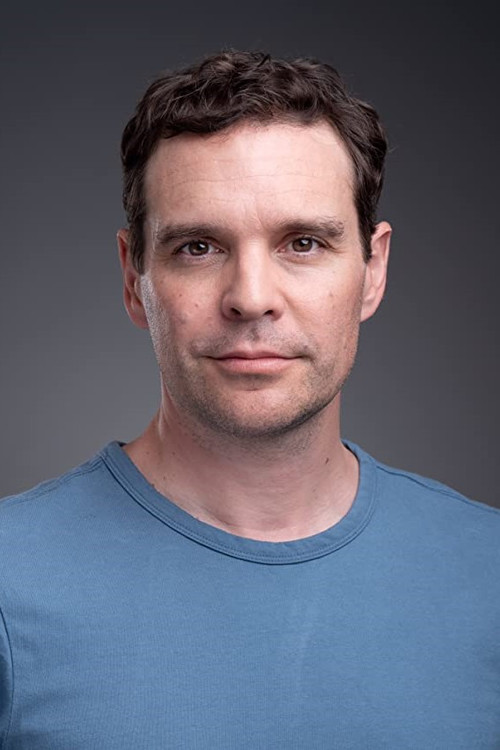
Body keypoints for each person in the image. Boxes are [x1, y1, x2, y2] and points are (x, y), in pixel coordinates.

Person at [0, 50, 498, 749]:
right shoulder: (9, 580)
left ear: (373, 270)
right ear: (134, 278)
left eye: (303, 243)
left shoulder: (488, 572)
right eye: (199, 247)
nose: (251, 298)